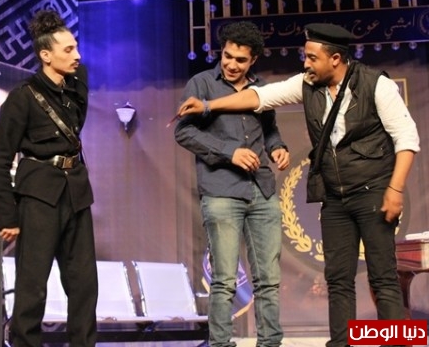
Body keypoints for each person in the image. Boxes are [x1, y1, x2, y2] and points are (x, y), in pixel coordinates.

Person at [178, 22, 420, 347]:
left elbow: (407, 138)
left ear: (335, 59)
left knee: (384, 278)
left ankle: (398, 344)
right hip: (333, 199)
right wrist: (208, 105)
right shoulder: (306, 84)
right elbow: (260, 97)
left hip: (373, 192)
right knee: (338, 280)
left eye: (311, 58)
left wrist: (395, 189)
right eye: (305, 57)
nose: (305, 63)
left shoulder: (377, 85)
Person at [0, 9, 98, 347]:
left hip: (76, 191)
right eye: (68, 50)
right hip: (38, 195)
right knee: (32, 286)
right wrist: (7, 215)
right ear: (46, 56)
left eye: (76, 47)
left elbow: (77, 110)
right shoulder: (23, 96)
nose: (77, 55)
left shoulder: (76, 85)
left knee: (84, 285)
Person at [174, 21, 289, 347]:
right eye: (227, 56)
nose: (232, 64)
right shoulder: (201, 83)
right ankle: (221, 344)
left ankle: (270, 343)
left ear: (253, 60)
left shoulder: (261, 88)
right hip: (221, 190)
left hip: (262, 189)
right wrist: (230, 152)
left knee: (269, 279)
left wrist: (278, 147)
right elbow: (183, 131)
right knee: (224, 280)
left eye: (240, 60)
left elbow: (270, 129)